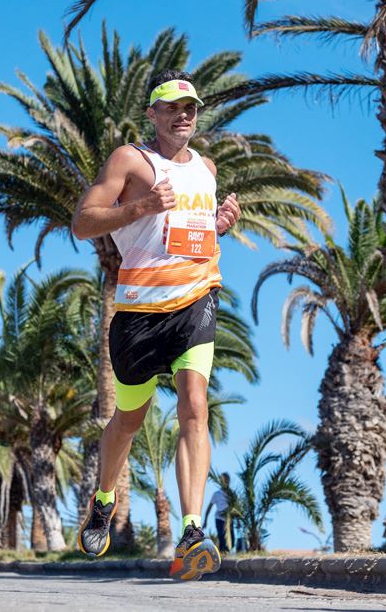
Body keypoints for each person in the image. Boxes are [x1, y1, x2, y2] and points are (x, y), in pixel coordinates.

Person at [73, 70, 241, 582]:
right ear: (153, 114)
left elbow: (189, 238)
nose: (184, 114)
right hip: (138, 313)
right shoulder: (131, 159)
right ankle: (104, 499)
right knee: (129, 421)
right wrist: (142, 205)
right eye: (173, 107)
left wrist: (217, 229)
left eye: (190, 106)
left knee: (194, 404)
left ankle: (192, 530)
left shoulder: (207, 169)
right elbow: (83, 222)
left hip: (196, 298)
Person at [203, 473, 235, 554]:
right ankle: (222, 554)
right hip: (219, 519)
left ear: (228, 481)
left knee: (232, 539)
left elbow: (235, 509)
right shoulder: (217, 494)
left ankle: (227, 552)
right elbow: (209, 508)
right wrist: (205, 521)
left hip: (229, 519)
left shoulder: (232, 494)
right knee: (222, 537)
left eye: (226, 480)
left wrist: (237, 521)